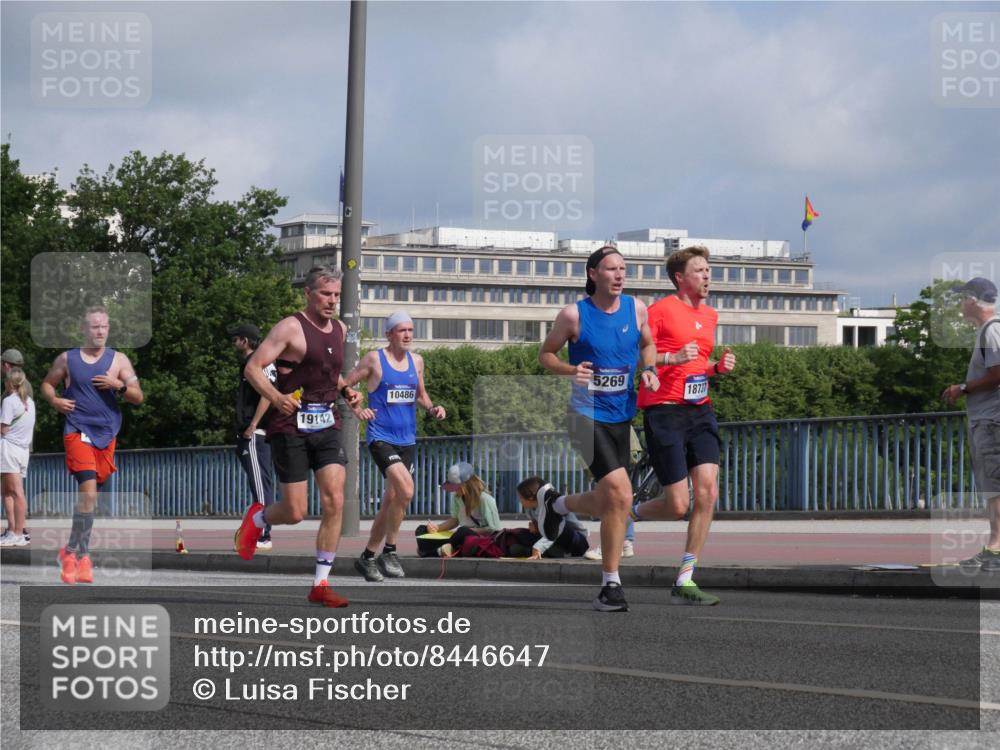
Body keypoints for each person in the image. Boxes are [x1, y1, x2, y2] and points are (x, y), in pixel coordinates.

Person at [537, 245, 659, 612]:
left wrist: (649, 369)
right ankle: (610, 585)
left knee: (611, 499)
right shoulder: (574, 315)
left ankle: (556, 504)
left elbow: (648, 344)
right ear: (593, 274)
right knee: (621, 494)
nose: (619, 275)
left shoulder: (636, 309)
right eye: (611, 269)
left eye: (623, 268)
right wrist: (571, 370)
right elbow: (546, 355)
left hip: (621, 415)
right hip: (584, 416)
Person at [233, 265, 364, 608]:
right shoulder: (290, 327)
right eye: (325, 294)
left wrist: (347, 391)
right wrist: (276, 398)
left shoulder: (340, 329)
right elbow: (253, 368)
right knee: (294, 512)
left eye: (336, 295)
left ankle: (320, 584)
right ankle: (258, 519)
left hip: (326, 424)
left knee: (335, 499)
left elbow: (326, 374)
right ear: (307, 293)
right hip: (290, 427)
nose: (332, 301)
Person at [630, 246, 736, 606]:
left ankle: (686, 578)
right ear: (680, 277)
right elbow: (637, 355)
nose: (708, 276)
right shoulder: (660, 311)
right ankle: (630, 512)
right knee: (677, 505)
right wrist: (669, 358)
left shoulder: (710, 315)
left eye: (709, 270)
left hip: (700, 410)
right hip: (664, 411)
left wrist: (716, 369)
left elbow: (698, 366)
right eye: (700, 271)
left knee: (707, 494)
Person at [41, 306, 144, 584]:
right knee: (87, 493)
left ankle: (75, 553)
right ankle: (78, 554)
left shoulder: (119, 360)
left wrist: (117, 385)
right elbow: (47, 384)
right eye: (94, 327)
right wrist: (55, 401)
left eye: (104, 327)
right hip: (77, 431)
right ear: (84, 329)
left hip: (106, 435)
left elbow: (138, 396)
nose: (100, 332)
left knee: (92, 499)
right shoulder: (67, 358)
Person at [342, 310, 446, 582]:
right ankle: (390, 550)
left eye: (411, 330)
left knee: (391, 500)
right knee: (407, 490)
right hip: (381, 437)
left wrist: (432, 408)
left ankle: (367, 558)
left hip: (407, 440)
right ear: (389, 334)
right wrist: (358, 410)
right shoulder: (375, 360)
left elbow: (421, 395)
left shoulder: (417, 361)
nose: (408, 335)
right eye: (401, 330)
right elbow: (345, 385)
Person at [942, 277, 1000, 571]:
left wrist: (962, 388)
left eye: (963, 298)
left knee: (995, 485)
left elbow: (997, 373)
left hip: (992, 421)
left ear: (974, 300)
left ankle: (997, 548)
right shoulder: (987, 332)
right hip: (987, 420)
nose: (960, 304)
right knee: (991, 485)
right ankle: (994, 547)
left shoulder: (993, 331)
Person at [230, 322, 277, 551]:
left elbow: (267, 395)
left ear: (245, 341)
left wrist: (253, 424)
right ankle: (261, 531)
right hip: (254, 432)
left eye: (235, 338)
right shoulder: (259, 362)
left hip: (256, 433)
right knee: (261, 483)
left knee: (260, 485)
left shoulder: (256, 363)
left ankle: (263, 534)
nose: (233, 342)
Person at [416, 462, 501, 558]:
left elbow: (494, 529)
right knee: (421, 530)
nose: (455, 490)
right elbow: (455, 520)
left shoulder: (485, 499)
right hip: (460, 536)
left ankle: (432, 551)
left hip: (478, 539)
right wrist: (437, 528)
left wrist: (470, 530)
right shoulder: (457, 498)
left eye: (457, 486)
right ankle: (443, 549)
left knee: (462, 531)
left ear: (467, 484)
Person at [1, 367, 36, 546]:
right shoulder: (29, 401)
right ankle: (12, 530)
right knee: (7, 492)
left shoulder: (9, 401)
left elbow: (3, 428)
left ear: (10, 382)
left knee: (15, 492)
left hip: (9, 449)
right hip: (23, 450)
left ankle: (17, 533)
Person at [516, 476, 588, 559]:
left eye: (521, 498)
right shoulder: (529, 509)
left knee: (559, 530)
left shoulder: (551, 504)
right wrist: (536, 527)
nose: (519, 501)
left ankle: (554, 552)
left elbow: (557, 528)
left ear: (530, 498)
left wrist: (538, 547)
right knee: (521, 534)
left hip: (575, 539)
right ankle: (549, 552)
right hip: (552, 538)